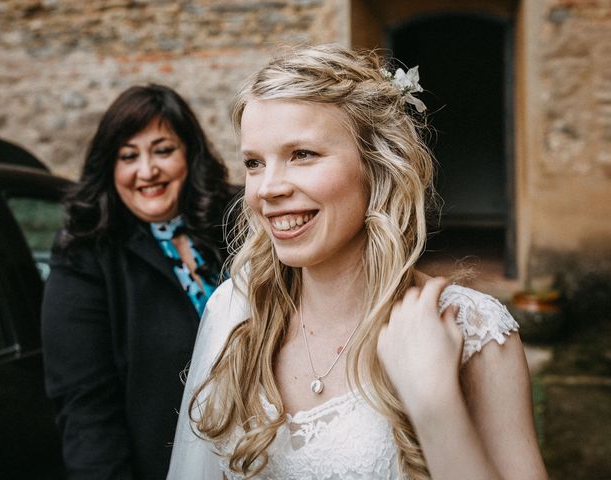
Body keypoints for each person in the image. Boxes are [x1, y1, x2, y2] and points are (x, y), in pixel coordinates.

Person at [167, 45, 548, 479]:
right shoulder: (235, 311)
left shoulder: (474, 331)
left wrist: (435, 404)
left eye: (302, 154)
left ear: (377, 165)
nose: (267, 189)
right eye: (254, 163)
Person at [41, 84, 236, 479]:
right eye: (128, 156)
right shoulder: (84, 256)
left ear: (189, 154)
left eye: (163, 150)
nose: (147, 171)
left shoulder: (234, 222)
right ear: (109, 167)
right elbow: (87, 411)